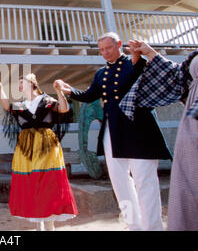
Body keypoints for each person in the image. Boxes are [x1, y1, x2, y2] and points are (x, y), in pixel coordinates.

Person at [59, 32, 172, 231]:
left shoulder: (135, 63)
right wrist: (69, 91)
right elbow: (89, 95)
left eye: (108, 48)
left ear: (119, 44)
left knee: (145, 181)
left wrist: (138, 58)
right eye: (101, 50)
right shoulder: (101, 73)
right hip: (112, 131)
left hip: (139, 129)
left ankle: (153, 227)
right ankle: (133, 225)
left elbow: (141, 73)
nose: (105, 53)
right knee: (120, 183)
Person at [120, 41, 198, 231]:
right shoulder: (197, 54)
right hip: (193, 123)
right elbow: (177, 76)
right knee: (191, 188)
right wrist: (150, 53)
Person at [0, 74, 78, 231]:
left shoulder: (46, 101)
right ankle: (39, 224)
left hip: (46, 145)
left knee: (47, 182)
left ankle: (49, 224)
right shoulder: (21, 105)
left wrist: (59, 91)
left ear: (32, 83)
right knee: (30, 182)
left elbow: (64, 108)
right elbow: (7, 106)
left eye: (22, 82)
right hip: (26, 148)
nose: (19, 85)